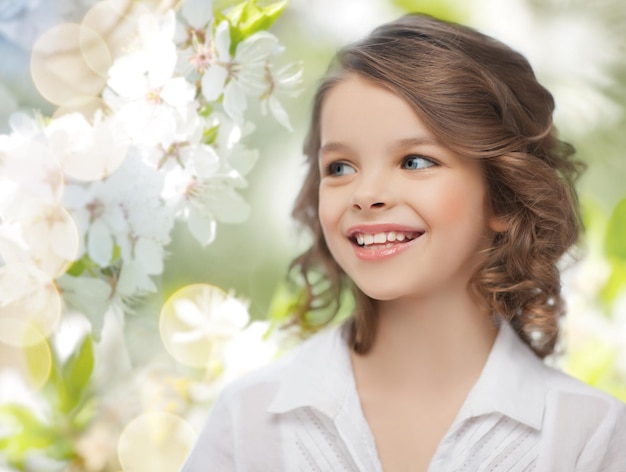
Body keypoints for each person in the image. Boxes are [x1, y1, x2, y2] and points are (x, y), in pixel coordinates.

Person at [182, 13, 626, 471]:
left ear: (502, 195)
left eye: (414, 161)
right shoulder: (249, 420)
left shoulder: (589, 435)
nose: (367, 195)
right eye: (339, 167)